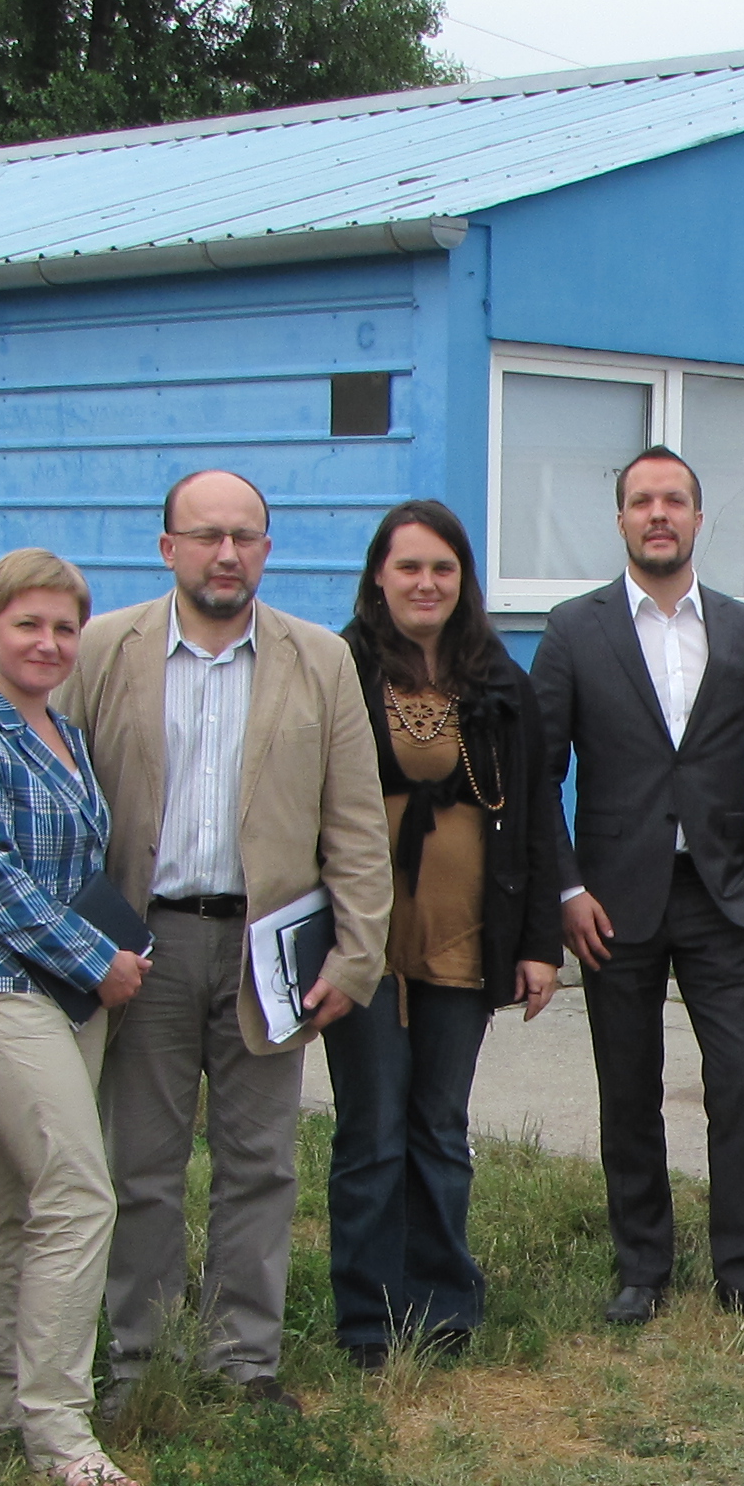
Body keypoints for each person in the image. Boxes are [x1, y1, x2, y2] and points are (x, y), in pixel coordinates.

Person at [66, 469, 392, 1414]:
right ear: (167, 547)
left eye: (244, 536)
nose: (226, 553)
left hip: (270, 950)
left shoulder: (319, 660)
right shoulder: (104, 650)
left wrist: (356, 956)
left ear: (267, 549)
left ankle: (244, 1360)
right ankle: (139, 1358)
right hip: (145, 946)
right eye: (207, 535)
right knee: (141, 1165)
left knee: (261, 1163)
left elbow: (357, 823)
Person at [532, 445, 744, 1330]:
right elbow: (538, 775)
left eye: (675, 500)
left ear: (697, 517)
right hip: (612, 904)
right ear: (621, 519)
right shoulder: (574, 630)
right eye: (642, 501)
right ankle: (643, 1268)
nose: (659, 514)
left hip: (723, 897)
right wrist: (566, 890)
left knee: (740, 1083)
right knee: (629, 1087)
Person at [0, 549, 145, 1486]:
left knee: (14, 1202)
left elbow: (80, 867)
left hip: (72, 997)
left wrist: (109, 958)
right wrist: (100, 959)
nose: (47, 643)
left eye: (63, 628)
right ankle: (60, 1429)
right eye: (27, 625)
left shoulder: (68, 734)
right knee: (81, 1194)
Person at [321, 501, 566, 1372]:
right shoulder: (341, 669)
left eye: (443, 569)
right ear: (378, 578)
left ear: (463, 581)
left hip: (467, 932)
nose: (426, 584)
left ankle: (442, 1306)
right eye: (409, 567)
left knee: (438, 1123)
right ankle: (367, 1317)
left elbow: (536, 813)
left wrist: (540, 943)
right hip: (363, 938)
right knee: (371, 1127)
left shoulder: (499, 681)